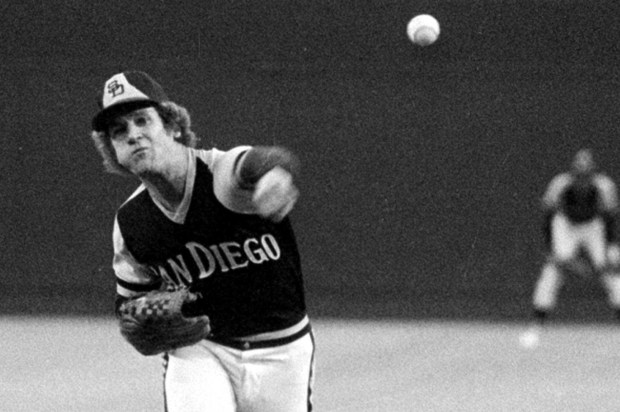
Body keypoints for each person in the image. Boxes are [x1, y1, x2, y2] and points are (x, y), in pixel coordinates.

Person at [90, 70, 315, 411]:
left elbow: (260, 161)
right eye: (119, 131)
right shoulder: (131, 223)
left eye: (142, 120)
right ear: (113, 151)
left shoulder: (220, 173)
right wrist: (133, 319)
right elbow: (129, 303)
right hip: (201, 348)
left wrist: (275, 174)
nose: (133, 135)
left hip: (282, 348)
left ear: (172, 126)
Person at [520, 148, 620, 349]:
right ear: (572, 172)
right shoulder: (560, 184)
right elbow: (548, 216)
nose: (582, 180)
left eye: (586, 175)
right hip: (566, 224)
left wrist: (611, 248)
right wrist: (551, 250)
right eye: (579, 175)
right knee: (552, 272)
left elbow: (610, 217)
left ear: (593, 173)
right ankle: (536, 327)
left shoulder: (604, 186)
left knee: (611, 273)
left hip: (593, 225)